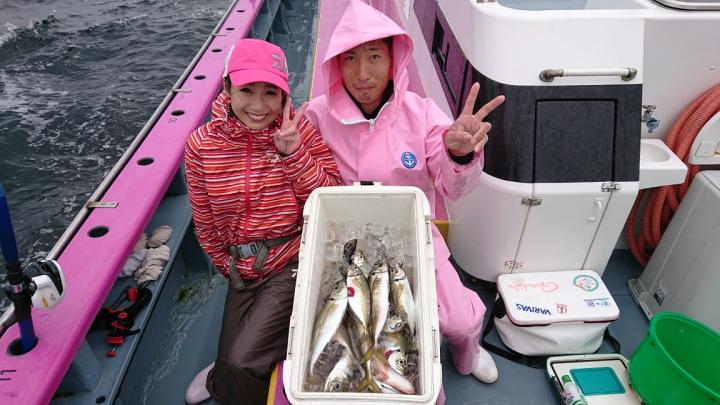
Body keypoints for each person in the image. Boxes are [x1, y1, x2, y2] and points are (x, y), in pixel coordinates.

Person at [304, 0, 505, 400]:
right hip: (345, 244)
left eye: (374, 56)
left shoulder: (423, 114)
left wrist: (459, 155)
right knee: (350, 330)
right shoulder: (317, 115)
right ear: (336, 65)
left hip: (414, 234)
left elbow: (453, 187)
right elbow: (301, 174)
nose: (363, 74)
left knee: (458, 322)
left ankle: (467, 352)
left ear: (394, 57)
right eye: (350, 59)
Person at [183, 38, 341, 405]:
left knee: (241, 361)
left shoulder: (300, 133)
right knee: (232, 355)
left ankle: (235, 373)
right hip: (240, 267)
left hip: (291, 260)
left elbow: (331, 196)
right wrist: (223, 262)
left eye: (270, 93)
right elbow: (204, 217)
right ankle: (229, 369)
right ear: (227, 88)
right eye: (247, 91)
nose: (258, 106)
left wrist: (293, 154)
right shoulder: (201, 145)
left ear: (284, 96)